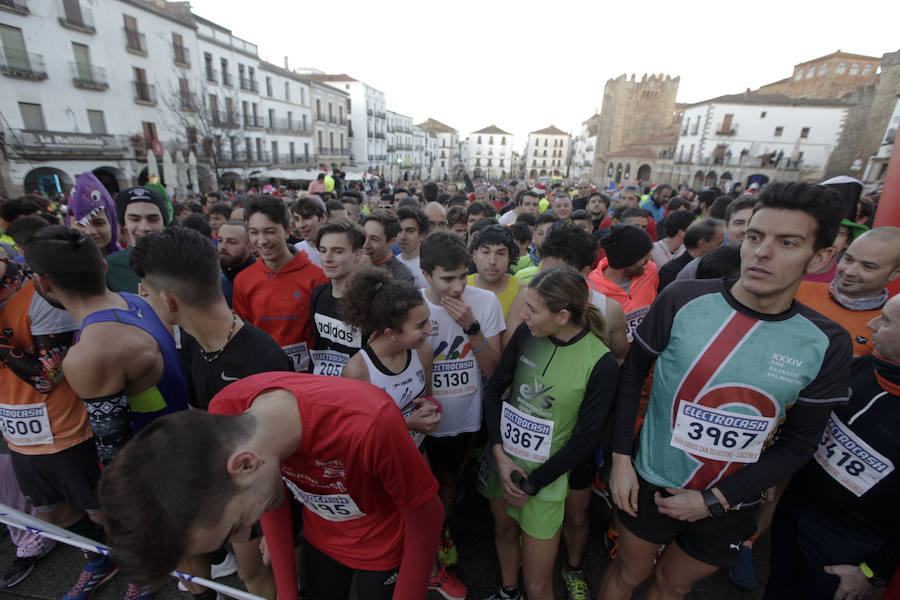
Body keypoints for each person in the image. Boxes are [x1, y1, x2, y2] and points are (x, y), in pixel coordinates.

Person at [598, 182, 852, 600]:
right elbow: (632, 374)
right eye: (755, 237)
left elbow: (801, 442)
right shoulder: (682, 298)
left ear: (822, 256)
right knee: (628, 574)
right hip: (649, 478)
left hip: (732, 501)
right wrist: (621, 459)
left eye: (787, 242)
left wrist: (716, 499)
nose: (762, 252)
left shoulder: (827, 342)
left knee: (672, 585)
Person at [98, 372, 445, 600]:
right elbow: (271, 494)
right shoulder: (230, 410)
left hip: (382, 546)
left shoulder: (370, 424)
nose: (244, 538)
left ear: (244, 464)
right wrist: (286, 593)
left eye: (234, 526)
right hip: (321, 539)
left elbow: (426, 516)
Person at [129, 226, 288, 600]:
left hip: (253, 497)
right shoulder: (187, 341)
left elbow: (282, 455)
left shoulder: (259, 359)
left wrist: (269, 529)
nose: (138, 298)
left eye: (144, 292)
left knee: (254, 573)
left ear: (169, 301)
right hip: (218, 485)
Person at [479, 266, 618, 600]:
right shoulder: (528, 335)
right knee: (504, 531)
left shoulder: (601, 363)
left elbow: (585, 440)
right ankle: (508, 591)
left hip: (545, 480)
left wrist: (532, 483)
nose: (523, 314)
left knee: (539, 585)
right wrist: (498, 453)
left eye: (532, 309)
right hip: (503, 464)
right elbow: (495, 388)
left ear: (562, 316)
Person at [764, 295, 900, 600]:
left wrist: (874, 571)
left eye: (887, 320)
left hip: (852, 544)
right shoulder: (863, 367)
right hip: (795, 509)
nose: (871, 324)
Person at [0, 245, 110, 600]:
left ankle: (135, 563)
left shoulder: (38, 292)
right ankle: (99, 557)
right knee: (51, 515)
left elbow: (49, 378)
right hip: (17, 434)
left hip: (67, 430)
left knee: (102, 511)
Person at [420, 230, 505, 567]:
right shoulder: (412, 304)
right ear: (426, 275)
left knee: (450, 479)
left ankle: (440, 529)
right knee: (420, 485)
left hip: (464, 415)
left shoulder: (484, 302)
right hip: (420, 416)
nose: (458, 287)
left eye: (462, 276)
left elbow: (495, 370)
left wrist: (472, 327)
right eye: (447, 279)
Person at [233, 196, 329, 372]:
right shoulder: (243, 280)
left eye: (269, 231)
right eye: (254, 232)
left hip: (307, 377)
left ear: (287, 231)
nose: (261, 241)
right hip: (263, 373)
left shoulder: (318, 278)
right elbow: (243, 335)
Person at [795, 227, 900, 356]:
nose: (849, 271)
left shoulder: (886, 325)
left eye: (867, 267)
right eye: (848, 259)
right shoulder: (795, 290)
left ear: (894, 275)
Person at [309, 219, 367, 377]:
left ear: (357, 255)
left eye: (338, 251)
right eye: (323, 250)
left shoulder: (372, 301)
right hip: (323, 386)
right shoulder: (318, 294)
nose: (327, 258)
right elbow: (317, 344)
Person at [588, 224, 658, 344]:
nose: (650, 259)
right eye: (644, 257)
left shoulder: (650, 270)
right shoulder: (591, 288)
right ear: (626, 260)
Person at [107, 186, 170, 293]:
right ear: (124, 223)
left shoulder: (182, 261)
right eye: (134, 219)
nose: (144, 228)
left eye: (153, 220)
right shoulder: (110, 267)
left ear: (164, 223)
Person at [468, 225, 526, 327]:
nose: (492, 261)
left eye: (500, 254)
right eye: (486, 252)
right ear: (474, 254)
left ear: (509, 257)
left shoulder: (522, 292)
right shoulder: (460, 287)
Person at [66, 172, 119, 256]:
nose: (90, 231)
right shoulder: (62, 267)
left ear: (112, 223)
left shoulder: (130, 262)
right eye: (80, 224)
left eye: (98, 223)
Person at [363, 209, 415, 284]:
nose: (365, 245)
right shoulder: (351, 263)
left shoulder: (402, 276)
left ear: (391, 242)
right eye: (364, 237)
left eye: (374, 239)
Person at [218, 220, 255, 308]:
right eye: (220, 240)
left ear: (249, 247)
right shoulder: (211, 277)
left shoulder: (261, 280)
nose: (223, 246)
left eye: (232, 242)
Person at [396, 207, 431, 289]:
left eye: (410, 231)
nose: (403, 237)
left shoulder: (431, 264)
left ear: (422, 235)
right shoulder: (392, 263)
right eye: (399, 230)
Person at [291, 197, 327, 267]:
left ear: (323, 218)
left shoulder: (338, 249)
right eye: (297, 219)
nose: (301, 225)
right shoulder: (297, 249)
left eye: (306, 217)